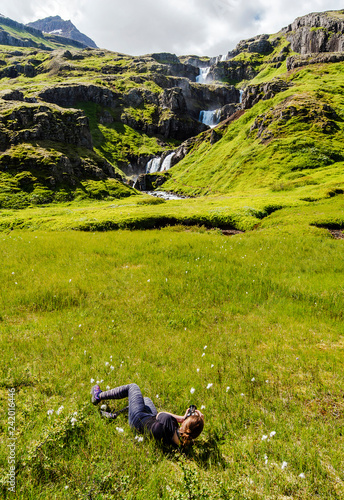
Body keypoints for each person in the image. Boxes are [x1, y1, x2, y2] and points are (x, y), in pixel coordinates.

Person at [91, 383, 204, 446]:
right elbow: (191, 432)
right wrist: (199, 421)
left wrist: (182, 418)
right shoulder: (184, 443)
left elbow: (161, 414)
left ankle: (98, 396)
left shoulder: (167, 422)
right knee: (146, 400)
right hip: (149, 422)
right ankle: (114, 415)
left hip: (138, 419)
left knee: (133, 387)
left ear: (185, 423)